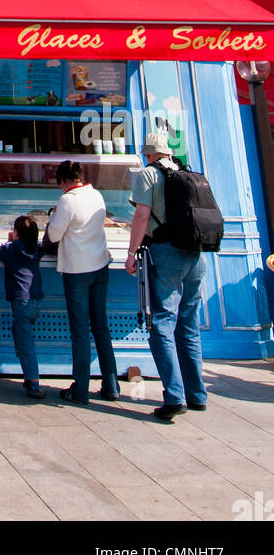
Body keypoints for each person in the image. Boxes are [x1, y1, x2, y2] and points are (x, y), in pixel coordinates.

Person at [125, 131, 209, 421]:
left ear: (148, 153)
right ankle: (197, 394)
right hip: (194, 255)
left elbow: (142, 216)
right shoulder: (185, 171)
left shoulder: (148, 174)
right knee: (188, 324)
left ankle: (174, 397)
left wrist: (131, 251)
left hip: (166, 253)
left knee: (161, 323)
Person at [46, 159, 120, 405]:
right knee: (101, 327)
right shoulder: (96, 194)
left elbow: (54, 235)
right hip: (99, 266)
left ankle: (81, 388)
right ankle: (111, 384)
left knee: (80, 331)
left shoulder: (68, 200)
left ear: (63, 181)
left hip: (77, 271)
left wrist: (53, 219)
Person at [0, 215, 45, 399]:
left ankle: (33, 383)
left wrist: (9, 242)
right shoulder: (38, 249)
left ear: (15, 233)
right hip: (36, 299)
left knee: (25, 342)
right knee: (20, 332)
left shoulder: (11, 249)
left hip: (20, 301)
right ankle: (27, 372)